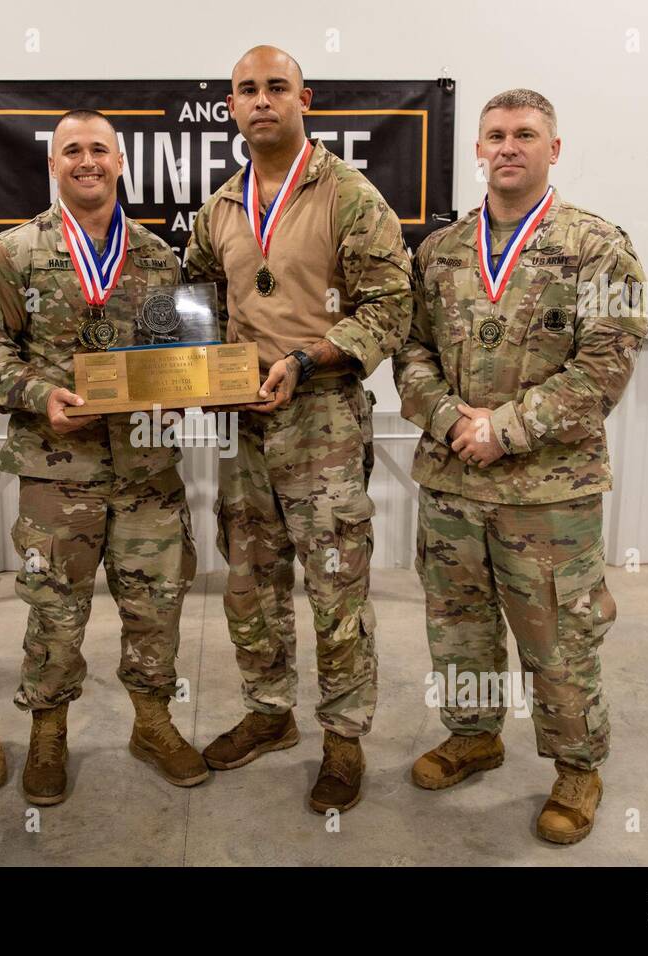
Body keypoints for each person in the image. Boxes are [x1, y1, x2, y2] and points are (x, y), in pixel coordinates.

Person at [395, 88, 648, 844]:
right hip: (451, 485)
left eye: (526, 134)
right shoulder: (440, 251)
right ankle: (474, 735)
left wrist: (504, 431)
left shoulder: (598, 246)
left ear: (553, 149)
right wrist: (447, 420)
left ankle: (577, 768)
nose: (508, 146)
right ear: (478, 148)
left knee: (558, 639)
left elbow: (606, 366)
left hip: (548, 495)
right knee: (459, 629)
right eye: (496, 134)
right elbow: (409, 353)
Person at [0, 110, 206, 806]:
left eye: (98, 150)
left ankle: (152, 723)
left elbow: (182, 356)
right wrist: (36, 392)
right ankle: (48, 732)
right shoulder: (14, 252)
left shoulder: (156, 255)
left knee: (157, 607)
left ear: (119, 163)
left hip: (148, 471)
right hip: (56, 472)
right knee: (53, 613)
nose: (86, 161)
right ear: (53, 165)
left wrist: (184, 391)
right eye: (71, 151)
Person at [184, 46, 413, 813]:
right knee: (249, 581)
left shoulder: (349, 195)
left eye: (276, 87)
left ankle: (344, 740)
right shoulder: (219, 207)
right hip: (243, 427)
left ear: (303, 98)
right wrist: (200, 373)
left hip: (322, 420)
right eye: (246, 90)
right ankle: (269, 712)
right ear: (229, 107)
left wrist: (307, 360)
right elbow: (197, 304)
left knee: (335, 586)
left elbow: (390, 306)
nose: (261, 101)